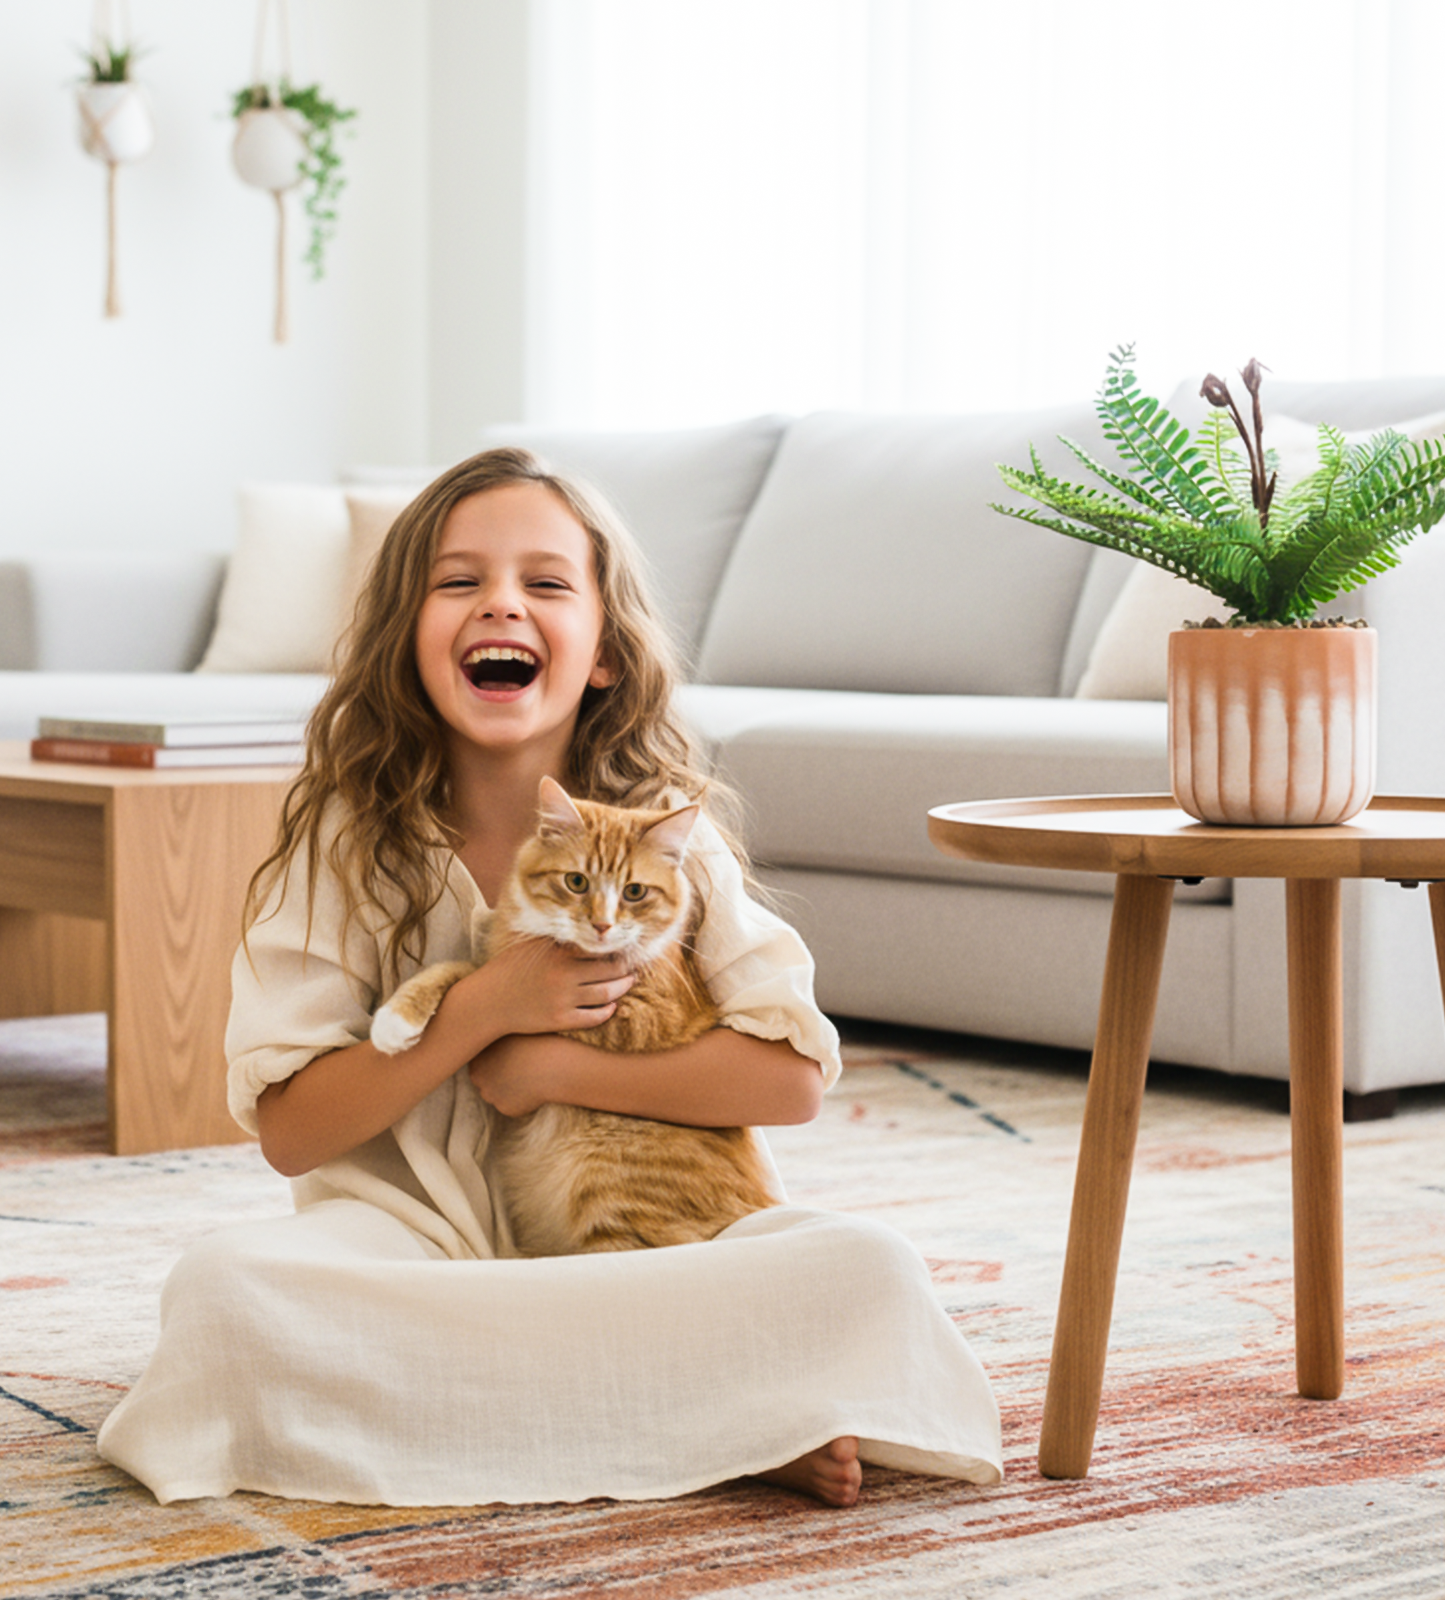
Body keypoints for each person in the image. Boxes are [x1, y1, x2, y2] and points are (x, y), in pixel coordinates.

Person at [96, 447, 1002, 1509]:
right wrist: (482, 1011)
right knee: (224, 1294)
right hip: (413, 1246)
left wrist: (547, 1068)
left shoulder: (670, 834)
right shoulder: (343, 840)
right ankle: (712, 1410)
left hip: (641, 1252)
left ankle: (545, 1407)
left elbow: (788, 1080)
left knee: (869, 1265)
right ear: (404, 641)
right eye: (459, 579)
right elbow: (293, 1130)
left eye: (544, 582)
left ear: (605, 652)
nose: (502, 605)